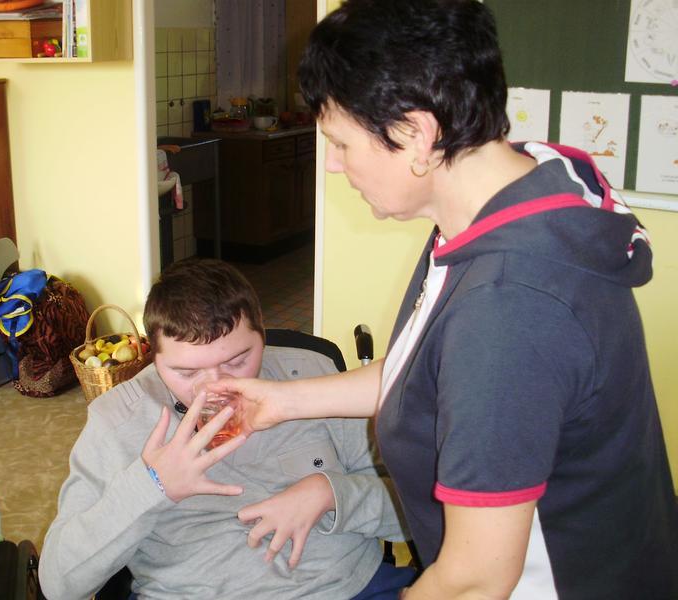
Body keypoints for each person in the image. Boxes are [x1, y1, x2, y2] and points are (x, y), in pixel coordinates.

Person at [206, 1, 678, 599]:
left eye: (342, 143)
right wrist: (282, 401)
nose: (332, 165)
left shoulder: (510, 308)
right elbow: (428, 374)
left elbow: (476, 580)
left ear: (417, 134)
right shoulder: (511, 198)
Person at [38, 258, 412, 599]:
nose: (215, 388)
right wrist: (152, 485)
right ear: (153, 355)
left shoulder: (315, 376)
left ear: (262, 333)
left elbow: (418, 514)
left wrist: (330, 493)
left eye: (237, 360)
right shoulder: (117, 418)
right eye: (187, 372)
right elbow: (59, 584)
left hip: (348, 588)